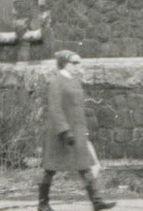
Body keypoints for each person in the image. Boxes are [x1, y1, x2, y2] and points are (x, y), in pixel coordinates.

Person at [39, 50, 115, 211]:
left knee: (84, 165)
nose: (78, 66)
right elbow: (55, 109)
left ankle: (97, 201)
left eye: (79, 62)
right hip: (60, 134)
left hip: (77, 131)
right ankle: (43, 203)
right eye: (75, 63)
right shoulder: (55, 81)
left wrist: (83, 130)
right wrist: (64, 131)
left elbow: (78, 107)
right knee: (50, 168)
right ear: (65, 64)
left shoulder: (75, 80)